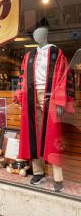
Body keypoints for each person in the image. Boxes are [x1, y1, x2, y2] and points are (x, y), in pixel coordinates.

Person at [16, 19, 75, 192]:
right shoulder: (29, 55)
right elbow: (22, 79)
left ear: (46, 33)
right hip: (32, 98)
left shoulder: (57, 53)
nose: (36, 35)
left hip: (51, 97)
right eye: (34, 32)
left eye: (39, 31)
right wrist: (21, 98)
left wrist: (60, 101)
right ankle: (38, 172)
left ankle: (58, 177)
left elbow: (65, 77)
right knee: (34, 135)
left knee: (53, 136)